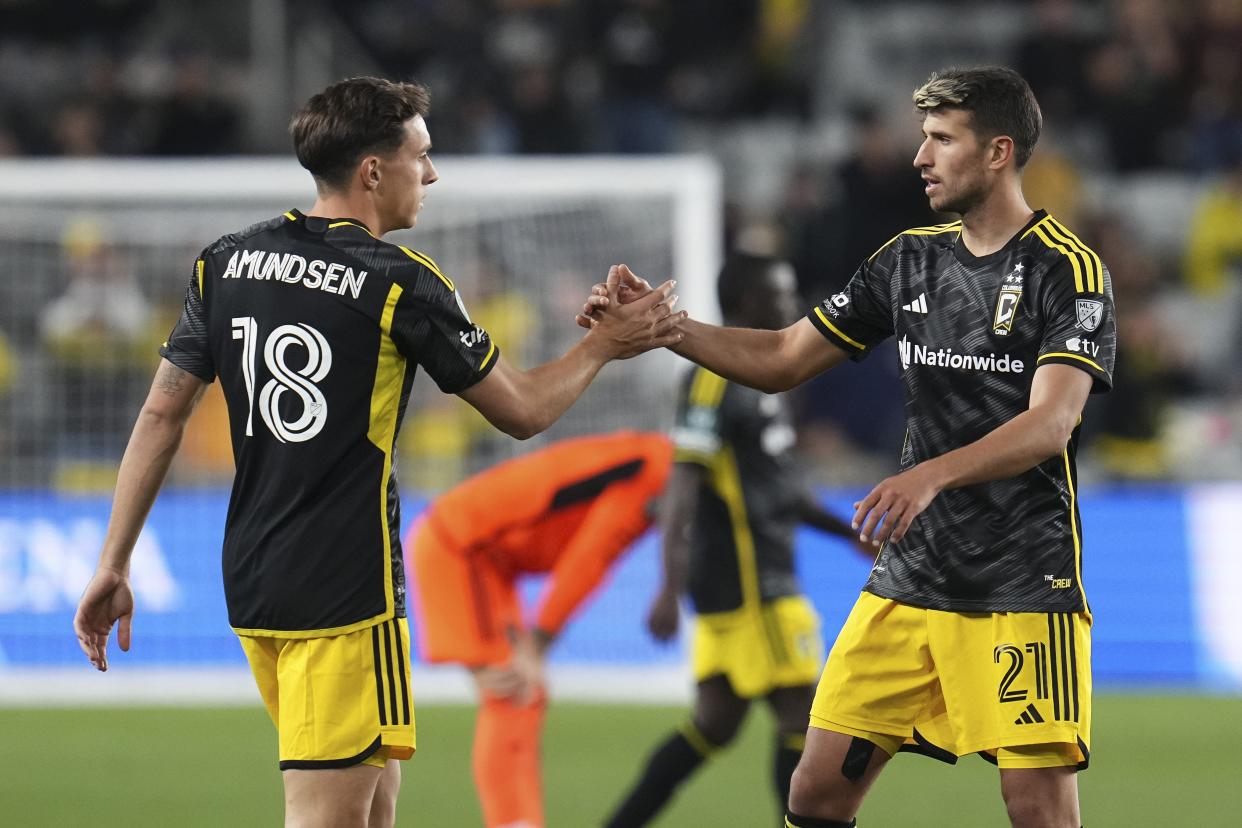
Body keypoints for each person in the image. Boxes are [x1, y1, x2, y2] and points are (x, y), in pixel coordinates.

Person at [72, 76, 680, 828]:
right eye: (420, 155)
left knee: (370, 809)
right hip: (345, 595)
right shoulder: (400, 284)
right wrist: (604, 346)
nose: (430, 174)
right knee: (328, 818)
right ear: (372, 171)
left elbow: (162, 412)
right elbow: (523, 411)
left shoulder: (226, 262)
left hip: (255, 582)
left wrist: (112, 561)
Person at [584, 67, 1115, 828]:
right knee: (815, 794)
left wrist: (929, 475)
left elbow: (1051, 424)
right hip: (907, 580)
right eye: (922, 139)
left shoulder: (1067, 270)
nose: (919, 158)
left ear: (998, 152)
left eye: (940, 140)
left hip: (1020, 585)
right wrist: (667, 327)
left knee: (1037, 808)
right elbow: (781, 356)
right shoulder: (907, 260)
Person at [604, 253, 871, 827]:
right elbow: (682, 485)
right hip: (754, 587)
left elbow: (781, 492)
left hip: (762, 579)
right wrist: (667, 587)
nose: (790, 303)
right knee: (807, 722)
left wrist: (847, 534)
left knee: (713, 726)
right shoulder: (710, 379)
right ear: (746, 303)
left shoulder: (769, 378)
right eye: (780, 292)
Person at [406, 430, 673, 828]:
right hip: (461, 546)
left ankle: (520, 819)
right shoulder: (653, 474)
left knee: (525, 693)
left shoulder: (651, 460)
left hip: (486, 558)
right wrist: (539, 641)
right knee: (513, 691)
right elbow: (591, 557)